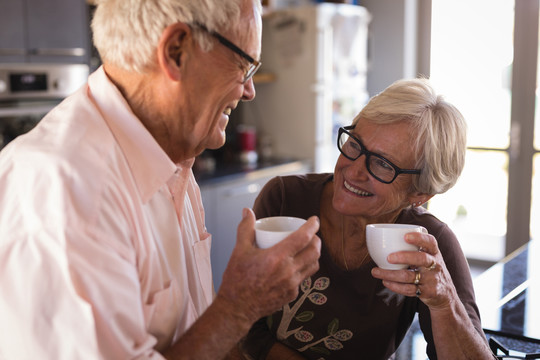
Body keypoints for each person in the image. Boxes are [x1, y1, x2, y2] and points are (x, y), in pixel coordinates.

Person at [0, 1, 322, 359]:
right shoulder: (64, 191)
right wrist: (238, 307)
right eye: (245, 65)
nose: (249, 91)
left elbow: (194, 324)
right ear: (176, 51)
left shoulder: (172, 154)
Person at [241, 78, 495, 359]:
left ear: (419, 193)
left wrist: (445, 304)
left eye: (383, 164)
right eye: (354, 144)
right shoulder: (285, 200)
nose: (354, 171)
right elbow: (243, 326)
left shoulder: (428, 244)